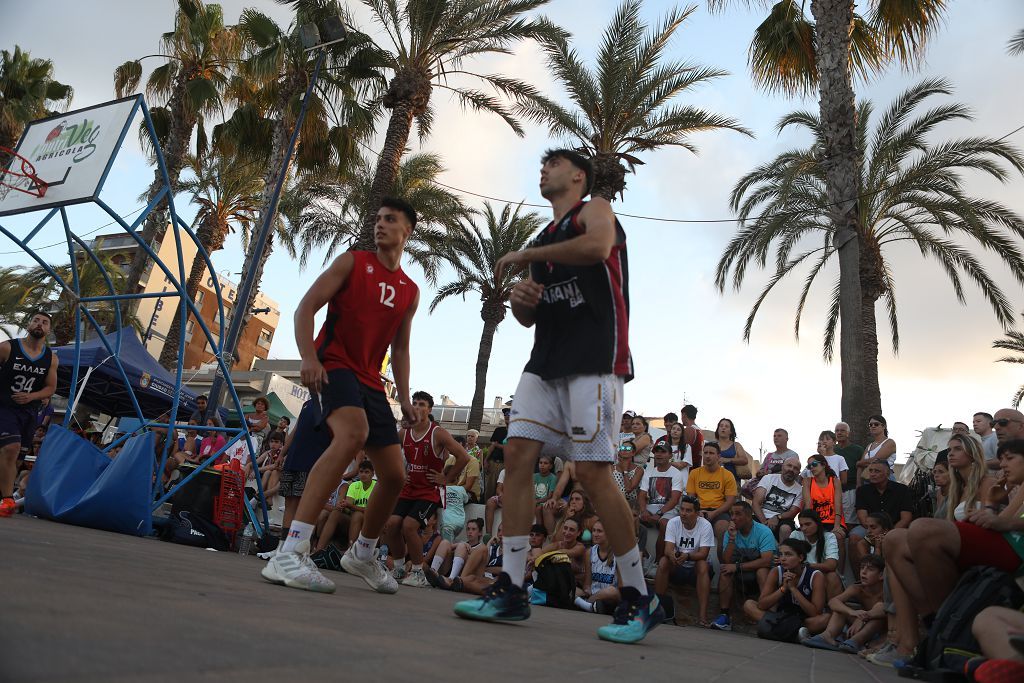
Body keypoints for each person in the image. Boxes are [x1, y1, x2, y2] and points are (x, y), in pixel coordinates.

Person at [452, 148, 663, 644]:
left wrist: (527, 259)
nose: (542, 170)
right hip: (546, 364)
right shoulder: (543, 241)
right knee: (516, 456)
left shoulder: (595, 210)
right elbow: (530, 315)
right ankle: (510, 588)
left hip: (594, 360)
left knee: (591, 472)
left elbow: (595, 248)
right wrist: (523, 302)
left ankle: (639, 596)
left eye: (553, 164)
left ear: (578, 176)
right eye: (540, 165)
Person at [261, 197, 420, 594]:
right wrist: (309, 357)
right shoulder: (352, 262)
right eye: (378, 218)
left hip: (370, 379)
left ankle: (362, 553)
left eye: (390, 219)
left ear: (408, 231)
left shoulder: (409, 291)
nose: (380, 224)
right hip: (334, 364)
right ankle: (291, 550)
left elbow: (400, 349)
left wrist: (402, 397)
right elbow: (305, 309)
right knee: (351, 435)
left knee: (395, 474)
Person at [388, 390, 469, 588]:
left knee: (409, 526)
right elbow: (387, 449)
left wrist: (447, 478)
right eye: (414, 403)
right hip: (409, 488)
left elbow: (464, 457)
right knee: (391, 525)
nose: (417, 407)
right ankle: (399, 567)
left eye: (421, 404)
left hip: (429, 491)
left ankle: (418, 572)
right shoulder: (404, 432)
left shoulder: (437, 432)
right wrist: (400, 471)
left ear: (429, 409)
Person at [0, 311, 57, 518]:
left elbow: (50, 388)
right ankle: (7, 500)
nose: (40, 324)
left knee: (15, 459)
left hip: (29, 413)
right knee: (11, 448)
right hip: (5, 407)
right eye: (36, 320)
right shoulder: (8, 347)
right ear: (29, 324)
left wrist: (32, 396)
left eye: (44, 322)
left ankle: (3, 496)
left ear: (49, 329)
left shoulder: (51, 358)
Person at [712, 500, 778, 631]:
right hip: (740, 573)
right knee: (725, 572)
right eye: (731, 514)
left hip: (758, 572)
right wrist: (731, 539)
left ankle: (767, 614)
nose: (733, 518)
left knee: (762, 571)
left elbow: (766, 560)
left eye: (737, 514)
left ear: (749, 516)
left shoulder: (763, 532)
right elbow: (726, 560)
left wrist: (737, 567)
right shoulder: (730, 533)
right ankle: (725, 616)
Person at [801, 555, 886, 652]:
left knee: (879, 606)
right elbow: (833, 602)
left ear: (881, 575)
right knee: (841, 608)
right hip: (861, 625)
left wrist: (864, 617)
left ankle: (856, 641)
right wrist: (852, 613)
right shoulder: (857, 588)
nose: (864, 572)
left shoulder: (887, 591)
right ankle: (827, 636)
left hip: (878, 631)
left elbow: (885, 609)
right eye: (862, 568)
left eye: (870, 569)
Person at [742, 538, 826, 635]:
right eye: (781, 554)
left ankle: (777, 630)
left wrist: (793, 589)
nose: (783, 558)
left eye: (788, 554)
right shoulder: (776, 571)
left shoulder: (815, 575)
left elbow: (815, 613)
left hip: (804, 619)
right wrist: (783, 589)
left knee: (825, 619)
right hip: (780, 617)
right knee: (749, 605)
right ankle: (796, 634)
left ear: (800, 557)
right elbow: (762, 604)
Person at [655, 495, 715, 627]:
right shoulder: (673, 522)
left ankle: (702, 617)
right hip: (677, 565)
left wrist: (687, 556)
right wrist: (673, 556)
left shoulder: (705, 525)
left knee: (702, 565)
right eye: (682, 509)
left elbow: (703, 554)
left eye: (688, 510)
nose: (683, 513)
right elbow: (668, 549)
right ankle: (656, 609)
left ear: (697, 513)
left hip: (695, 568)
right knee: (664, 561)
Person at [848, 460, 913, 571]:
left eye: (876, 471)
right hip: (869, 527)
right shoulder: (862, 491)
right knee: (854, 537)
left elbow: (906, 518)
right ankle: (861, 578)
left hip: (895, 527)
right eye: (871, 470)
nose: (872, 474)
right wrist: (873, 530)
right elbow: (862, 517)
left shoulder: (902, 490)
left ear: (887, 474)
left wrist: (888, 532)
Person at [637, 443, 684, 561]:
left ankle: (658, 562)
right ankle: (644, 556)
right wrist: (643, 511)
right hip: (650, 508)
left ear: (670, 455)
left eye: (663, 452)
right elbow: (642, 495)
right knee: (630, 521)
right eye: (657, 451)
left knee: (665, 524)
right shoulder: (649, 471)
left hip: (668, 509)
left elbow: (674, 499)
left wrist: (659, 514)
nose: (659, 454)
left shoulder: (676, 473)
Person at [686, 442, 738, 546]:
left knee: (722, 529)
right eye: (705, 453)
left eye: (711, 453)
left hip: (719, 512)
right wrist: (697, 512)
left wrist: (714, 513)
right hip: (698, 510)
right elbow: (690, 498)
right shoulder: (694, 473)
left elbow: (730, 501)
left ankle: (723, 562)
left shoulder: (727, 475)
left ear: (719, 456)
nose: (707, 456)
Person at [789, 509, 842, 598]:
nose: (804, 528)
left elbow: (831, 565)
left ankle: (834, 609)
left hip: (821, 575)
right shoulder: (796, 535)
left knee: (832, 576)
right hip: (800, 575)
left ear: (817, 523)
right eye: (801, 525)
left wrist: (808, 566)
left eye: (808, 524)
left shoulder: (829, 536)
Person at [752, 455, 803, 540]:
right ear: (783, 466)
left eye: (795, 468)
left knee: (786, 528)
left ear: (798, 473)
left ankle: (783, 551)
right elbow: (756, 503)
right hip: (761, 516)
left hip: (782, 519)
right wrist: (764, 523)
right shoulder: (768, 478)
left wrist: (777, 517)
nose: (791, 469)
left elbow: (793, 512)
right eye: (789, 465)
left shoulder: (799, 490)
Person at [575, 519, 621, 613]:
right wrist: (587, 589)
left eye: (599, 531)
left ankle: (587, 604)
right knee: (571, 589)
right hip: (594, 593)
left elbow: (622, 587)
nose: (595, 534)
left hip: (612, 596)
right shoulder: (589, 552)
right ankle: (592, 605)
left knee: (612, 591)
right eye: (594, 530)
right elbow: (588, 583)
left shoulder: (619, 554)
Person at [426, 517, 485, 585]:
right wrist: (456, 545)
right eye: (468, 529)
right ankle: (432, 572)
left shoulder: (481, 548)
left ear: (480, 532)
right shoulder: (462, 543)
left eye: (473, 529)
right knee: (445, 542)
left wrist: (463, 548)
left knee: (461, 546)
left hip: (464, 577)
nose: (470, 532)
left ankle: (451, 580)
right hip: (448, 570)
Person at [835, 421, 864, 517]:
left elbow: (862, 468)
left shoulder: (858, 450)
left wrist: (859, 486)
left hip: (851, 489)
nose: (839, 433)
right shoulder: (831, 450)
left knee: (849, 520)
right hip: (833, 490)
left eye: (842, 431)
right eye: (837, 431)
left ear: (848, 433)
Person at [858, 415, 896, 486]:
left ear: (884, 426)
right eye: (870, 424)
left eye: (876, 424)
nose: (873, 426)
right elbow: (860, 466)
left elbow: (876, 460)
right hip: (868, 480)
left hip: (885, 479)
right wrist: (858, 484)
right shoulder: (869, 446)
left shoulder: (890, 442)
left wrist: (859, 463)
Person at [482, 408, 510, 500]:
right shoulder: (498, 430)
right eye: (505, 415)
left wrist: (498, 445)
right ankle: (486, 508)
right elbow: (492, 446)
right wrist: (486, 460)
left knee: (503, 489)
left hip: (506, 465)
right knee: (489, 489)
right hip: (493, 463)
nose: (507, 416)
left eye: (510, 414)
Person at [714, 418, 751, 484]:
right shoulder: (712, 445)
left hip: (733, 483)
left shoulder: (736, 445)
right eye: (721, 426)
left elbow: (744, 460)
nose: (723, 428)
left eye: (726, 426)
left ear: (731, 431)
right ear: (718, 429)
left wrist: (727, 460)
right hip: (714, 482)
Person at [611, 440, 643, 510]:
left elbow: (628, 489)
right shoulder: (612, 468)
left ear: (633, 453)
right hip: (613, 502)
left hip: (630, 504)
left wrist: (625, 471)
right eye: (622, 448)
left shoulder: (638, 470)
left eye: (628, 449)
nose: (624, 450)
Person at [680, 404, 704, 469]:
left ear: (684, 415)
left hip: (689, 468)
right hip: (697, 467)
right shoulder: (699, 430)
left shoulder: (689, 430)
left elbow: (683, 451)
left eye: (681, 416)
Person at [931, 452, 951, 518]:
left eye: (941, 472)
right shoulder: (939, 493)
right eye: (934, 472)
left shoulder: (958, 492)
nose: (936, 475)